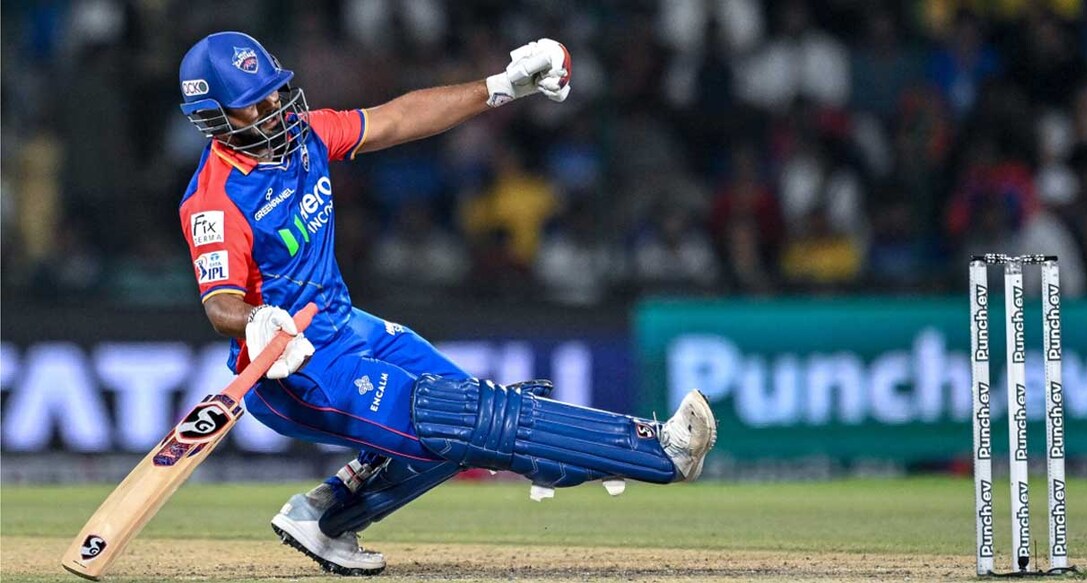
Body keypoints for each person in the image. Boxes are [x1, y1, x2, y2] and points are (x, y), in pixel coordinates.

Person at [176, 31, 717, 576]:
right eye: (256, 104)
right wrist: (256, 319)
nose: (276, 110)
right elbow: (219, 304)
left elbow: (400, 118)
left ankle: (324, 514)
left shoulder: (307, 135)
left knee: (464, 414)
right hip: (293, 370)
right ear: (215, 118)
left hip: (343, 326)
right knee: (468, 420)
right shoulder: (214, 199)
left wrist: (501, 88)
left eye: (276, 93)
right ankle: (659, 452)